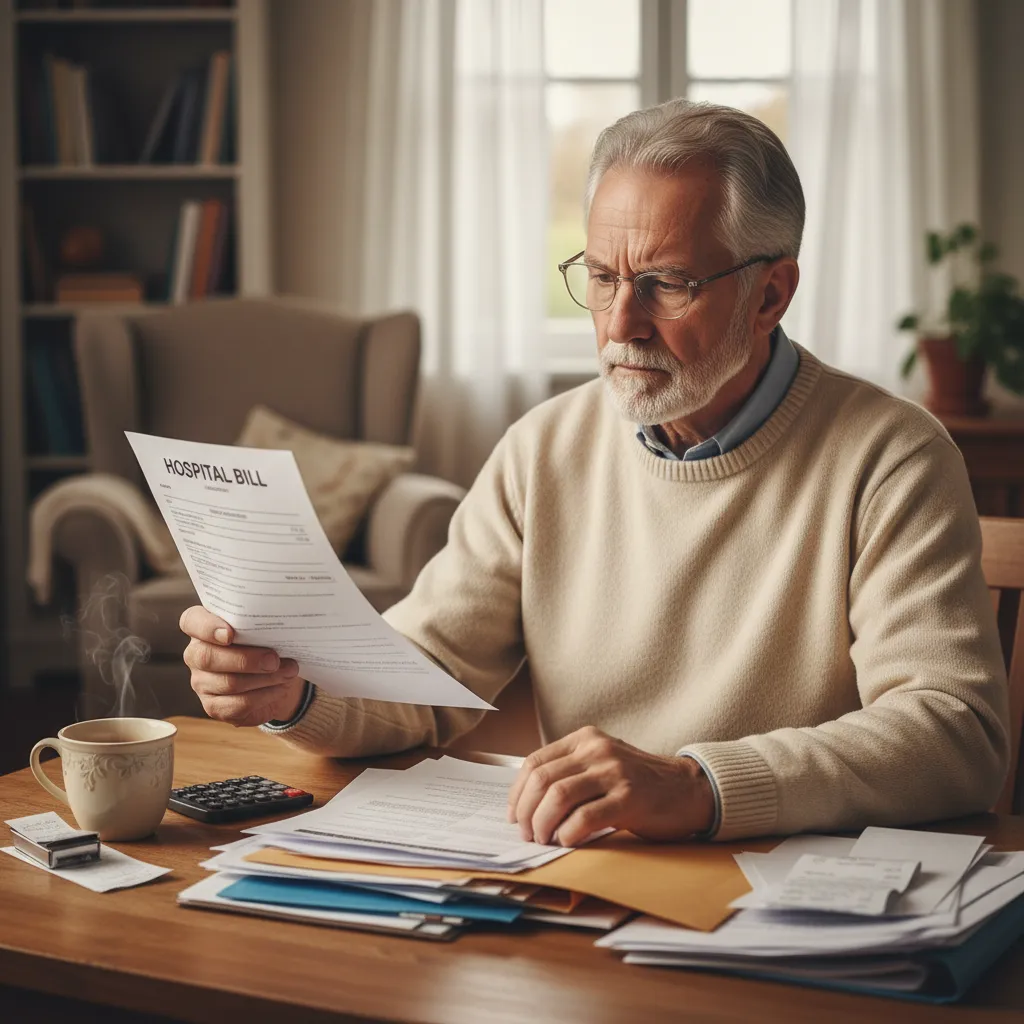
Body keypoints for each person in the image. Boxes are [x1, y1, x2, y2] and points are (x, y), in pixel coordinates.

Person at [179, 100, 1010, 844]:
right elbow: (424, 677)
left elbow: (954, 736)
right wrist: (293, 692)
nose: (621, 324)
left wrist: (699, 786)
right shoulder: (543, 448)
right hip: (586, 881)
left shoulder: (893, 457)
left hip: (793, 902)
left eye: (667, 284)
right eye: (604, 278)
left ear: (770, 295)